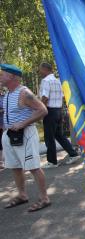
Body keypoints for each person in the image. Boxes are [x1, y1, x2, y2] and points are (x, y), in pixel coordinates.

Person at [0, 64, 51, 212]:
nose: (0, 76)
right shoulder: (8, 93)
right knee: (15, 167)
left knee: (34, 167)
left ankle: (44, 198)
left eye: (3, 74)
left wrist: (23, 123)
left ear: (12, 77)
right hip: (9, 135)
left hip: (25, 134)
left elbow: (43, 110)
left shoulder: (24, 93)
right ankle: (22, 195)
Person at [38, 62, 79, 168]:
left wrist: (39, 110)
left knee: (49, 137)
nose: (39, 72)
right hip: (58, 110)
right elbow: (61, 97)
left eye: (40, 69)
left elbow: (45, 97)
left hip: (50, 111)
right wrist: (60, 111)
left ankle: (52, 162)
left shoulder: (46, 81)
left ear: (46, 69)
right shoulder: (57, 81)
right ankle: (73, 154)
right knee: (59, 135)